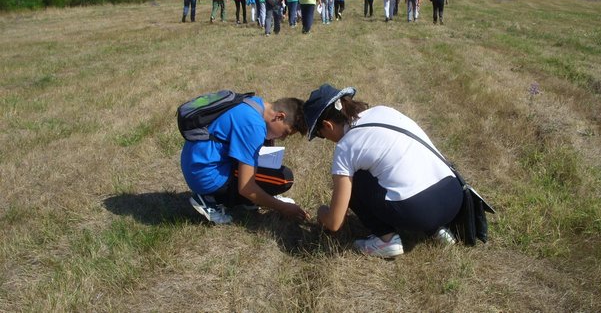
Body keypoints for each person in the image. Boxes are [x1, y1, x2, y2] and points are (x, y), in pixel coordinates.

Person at [303, 84, 463, 258]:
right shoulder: (383, 111)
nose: (325, 139)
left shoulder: (345, 147)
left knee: (353, 179)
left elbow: (334, 223)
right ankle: (437, 228)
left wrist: (322, 212)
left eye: (320, 134)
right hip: (453, 195)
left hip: (420, 212)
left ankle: (386, 240)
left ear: (327, 125)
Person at [181, 94, 309, 224]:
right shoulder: (253, 125)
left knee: (266, 160)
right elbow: (247, 188)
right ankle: (210, 198)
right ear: (280, 116)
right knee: (283, 178)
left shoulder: (255, 103)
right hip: (206, 177)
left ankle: (249, 199)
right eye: (286, 132)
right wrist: (283, 207)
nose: (283, 138)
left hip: (197, 163)